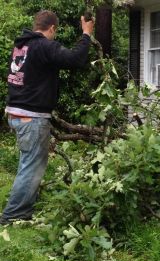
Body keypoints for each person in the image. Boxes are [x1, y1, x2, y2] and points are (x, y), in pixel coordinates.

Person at [0, 10, 94, 225]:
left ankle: (22, 209)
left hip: (16, 113)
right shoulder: (43, 45)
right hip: (30, 117)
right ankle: (13, 215)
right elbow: (75, 59)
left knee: (28, 162)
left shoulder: (21, 46)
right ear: (52, 28)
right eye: (55, 31)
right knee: (31, 166)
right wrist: (86, 34)